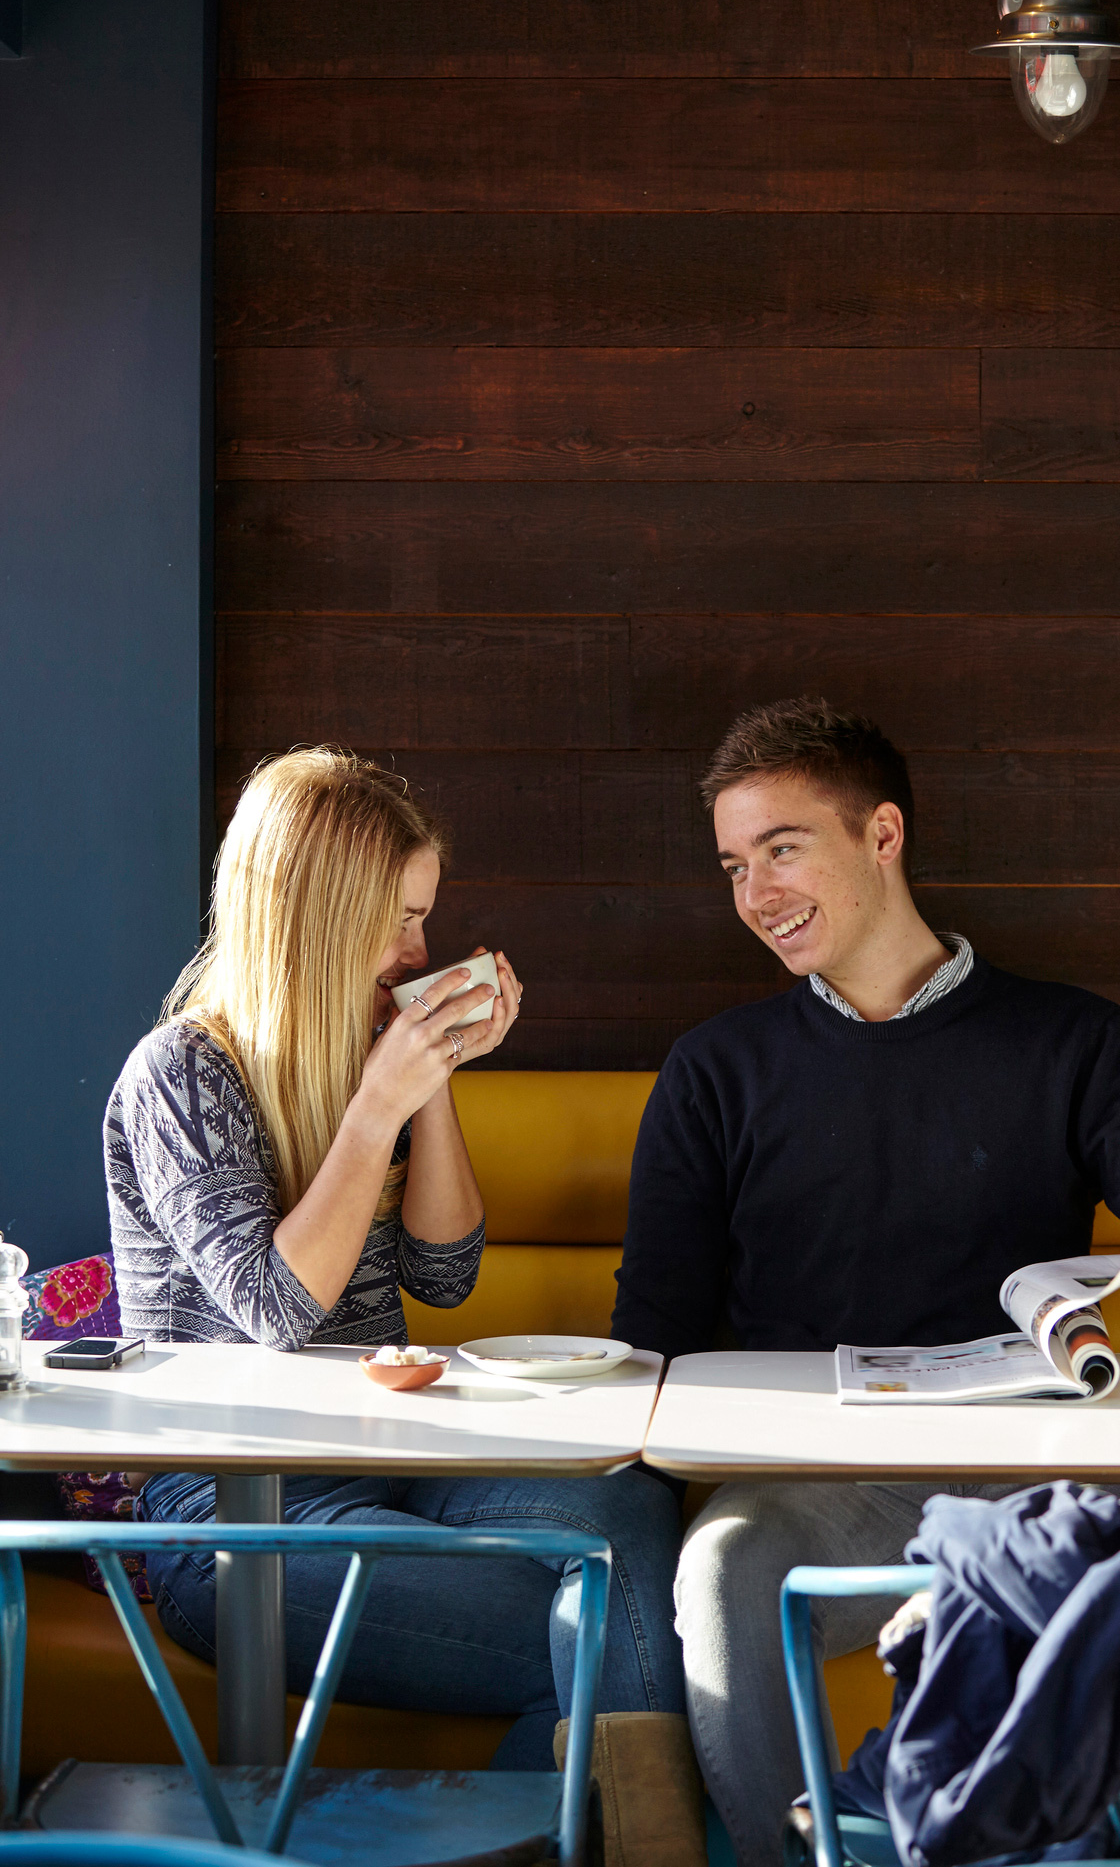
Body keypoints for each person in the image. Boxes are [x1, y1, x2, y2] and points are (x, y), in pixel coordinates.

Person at [610, 697, 1120, 1867]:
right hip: (829, 1485)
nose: (755, 894)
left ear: (882, 836)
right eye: (735, 865)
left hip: (1060, 1471)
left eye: (783, 849)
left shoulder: (1070, 1038)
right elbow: (652, 1336)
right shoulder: (714, 1070)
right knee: (722, 1563)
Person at [107, 747, 684, 1767]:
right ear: (321, 916)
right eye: (401, 919)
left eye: (424, 916)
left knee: (626, 1507)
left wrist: (435, 1073)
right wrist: (378, 1102)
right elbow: (277, 1309)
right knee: (617, 1630)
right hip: (235, 1519)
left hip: (397, 1463)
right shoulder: (183, 1076)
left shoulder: (365, 1049)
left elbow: (444, 1276)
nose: (418, 950)